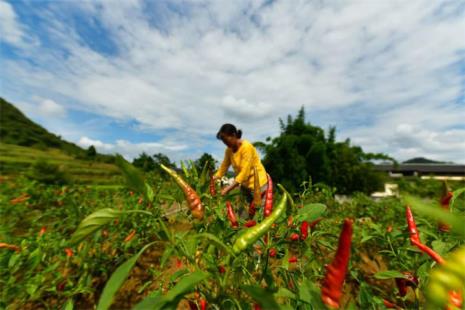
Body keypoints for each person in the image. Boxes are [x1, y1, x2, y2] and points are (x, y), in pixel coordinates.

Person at [213, 123, 269, 209]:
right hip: (245, 186)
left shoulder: (246, 147)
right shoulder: (229, 150)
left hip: (259, 185)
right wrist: (212, 180)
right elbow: (223, 168)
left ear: (233, 135)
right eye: (223, 141)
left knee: (261, 214)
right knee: (243, 215)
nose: (225, 143)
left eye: (226, 140)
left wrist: (228, 189)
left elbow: (244, 173)